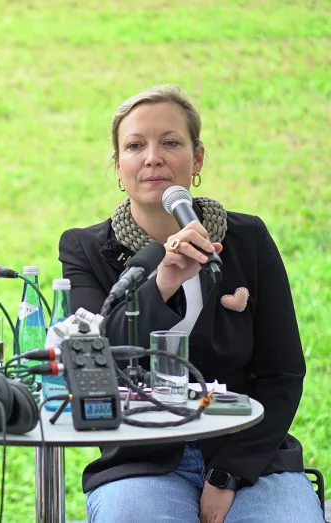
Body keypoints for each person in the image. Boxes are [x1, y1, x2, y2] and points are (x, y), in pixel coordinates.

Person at [58, 85, 323, 523]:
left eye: (170, 143)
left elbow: (283, 373)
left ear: (197, 159)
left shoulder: (248, 239)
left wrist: (228, 474)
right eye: (135, 146)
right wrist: (161, 283)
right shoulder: (85, 249)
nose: (152, 158)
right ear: (118, 166)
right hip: (142, 461)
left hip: (250, 455)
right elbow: (95, 359)